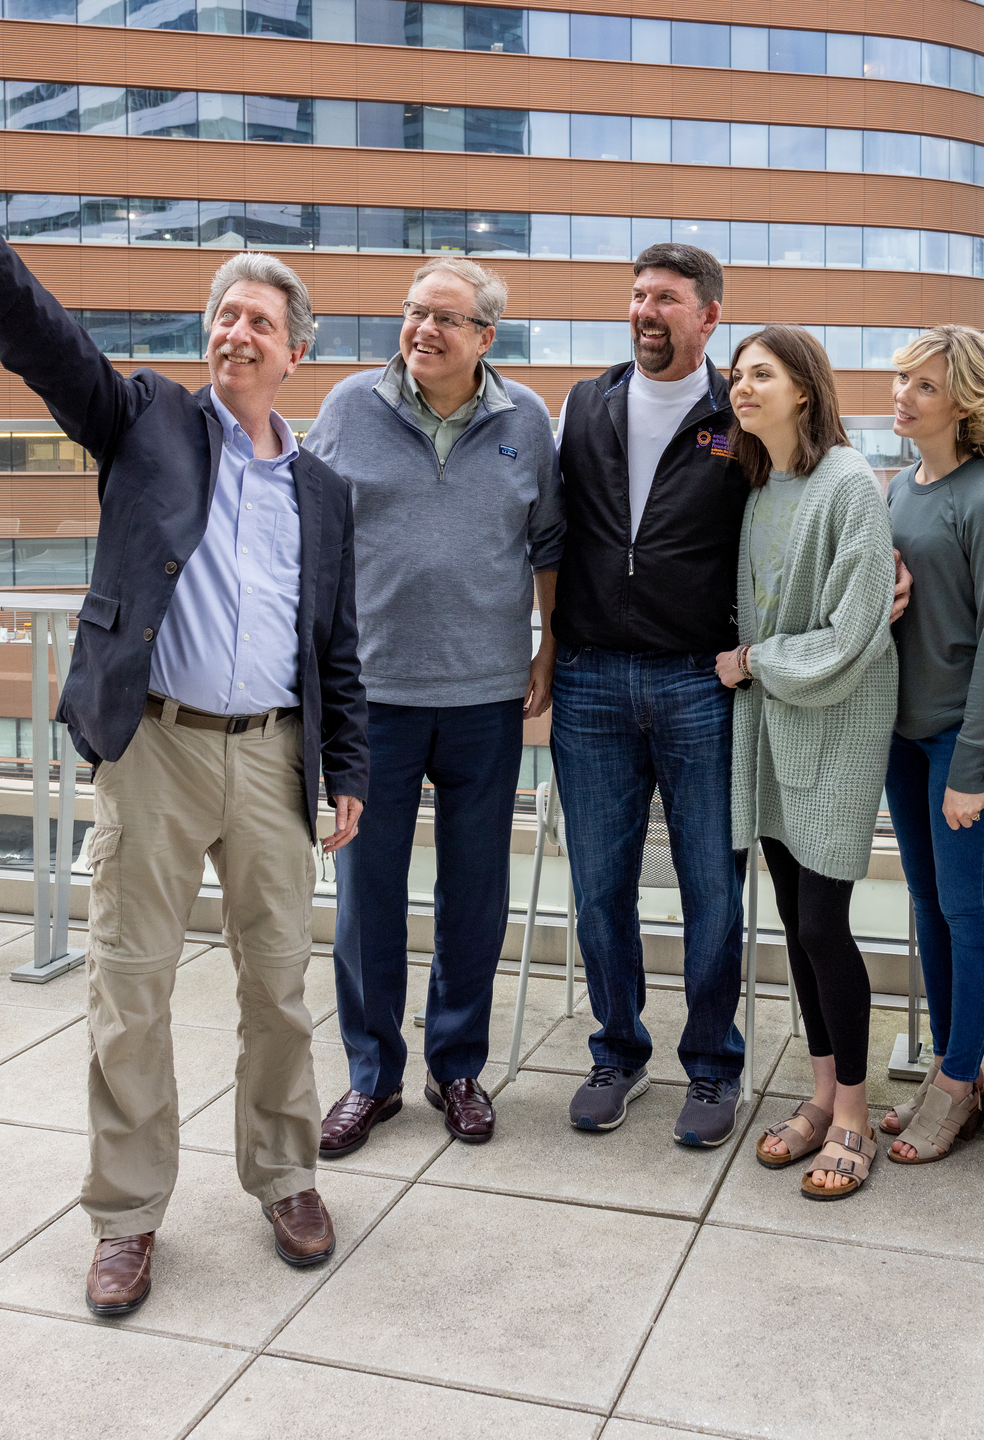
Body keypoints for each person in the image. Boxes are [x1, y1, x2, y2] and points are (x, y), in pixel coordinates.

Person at [0, 241, 368, 1315]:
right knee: (130, 987)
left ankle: (285, 1176)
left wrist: (344, 766)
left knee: (279, 990)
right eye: (224, 316)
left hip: (272, 756)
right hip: (155, 747)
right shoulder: (145, 420)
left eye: (259, 321)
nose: (235, 333)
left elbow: (334, 646)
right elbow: (44, 338)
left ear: (295, 351)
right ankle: (125, 1217)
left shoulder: (325, 492)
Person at [305, 257, 563, 1152]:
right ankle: (370, 1078)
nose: (424, 330)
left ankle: (457, 1068)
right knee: (365, 898)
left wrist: (550, 647)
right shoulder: (346, 408)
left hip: (487, 696)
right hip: (372, 700)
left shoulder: (526, 420)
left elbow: (549, 548)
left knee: (474, 896)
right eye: (415, 313)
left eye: (447, 319)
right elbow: (307, 537)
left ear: (485, 337)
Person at [551, 242, 752, 1147]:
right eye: (637, 294)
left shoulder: (736, 412)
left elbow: (801, 507)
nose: (645, 310)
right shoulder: (586, 403)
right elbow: (544, 530)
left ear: (708, 316)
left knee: (712, 883)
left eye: (666, 298)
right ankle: (618, 1051)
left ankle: (712, 1066)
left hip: (698, 681)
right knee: (600, 887)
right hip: (591, 677)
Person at [723, 325, 897, 1200]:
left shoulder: (848, 486)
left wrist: (756, 664)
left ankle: (857, 1116)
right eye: (736, 375)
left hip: (835, 730)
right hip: (772, 733)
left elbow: (853, 632)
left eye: (760, 374)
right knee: (797, 922)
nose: (741, 387)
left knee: (826, 923)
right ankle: (823, 1094)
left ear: (803, 388)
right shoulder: (761, 489)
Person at [881, 326, 984, 1166]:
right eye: (904, 382)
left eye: (924, 387)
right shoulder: (902, 487)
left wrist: (970, 768)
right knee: (931, 906)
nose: (903, 396)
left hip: (963, 739)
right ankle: (951, 1072)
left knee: (969, 911)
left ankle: (961, 1076)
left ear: (965, 402)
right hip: (904, 736)